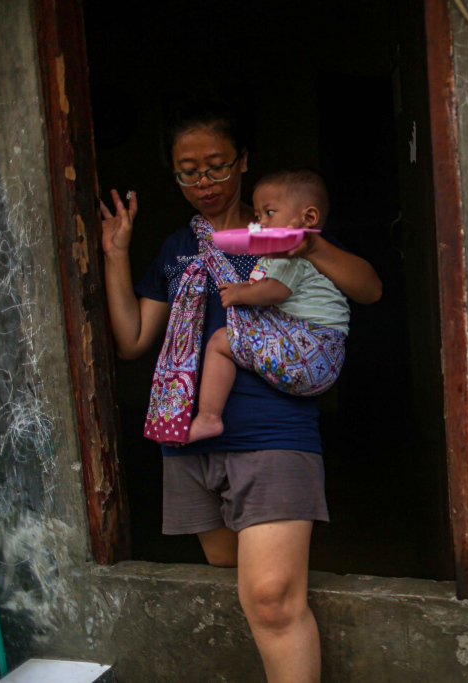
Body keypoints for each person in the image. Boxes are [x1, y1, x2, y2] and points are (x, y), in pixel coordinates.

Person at [99, 96, 382, 683]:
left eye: (218, 165)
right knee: (234, 564)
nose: (205, 181)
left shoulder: (282, 236)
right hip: (191, 435)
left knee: (273, 595)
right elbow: (131, 340)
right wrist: (116, 255)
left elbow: (369, 289)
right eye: (188, 170)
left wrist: (308, 245)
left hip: (274, 428)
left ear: (244, 160)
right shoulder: (177, 250)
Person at [183, 170, 350, 444]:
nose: (259, 224)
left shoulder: (289, 255)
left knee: (219, 342)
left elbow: (275, 290)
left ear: (308, 219)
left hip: (306, 349)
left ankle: (209, 417)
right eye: (258, 217)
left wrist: (239, 293)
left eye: (269, 213)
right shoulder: (306, 258)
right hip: (325, 357)